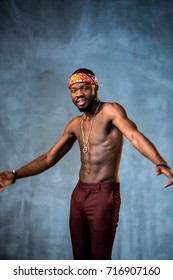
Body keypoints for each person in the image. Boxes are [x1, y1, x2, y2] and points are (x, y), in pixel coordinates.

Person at [0, 68, 173, 260]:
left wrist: (160, 162)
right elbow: (49, 158)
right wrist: (16, 174)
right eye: (74, 91)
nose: (79, 94)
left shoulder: (111, 111)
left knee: (99, 260)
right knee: (80, 260)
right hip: (79, 194)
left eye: (84, 88)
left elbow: (134, 136)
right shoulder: (75, 124)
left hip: (103, 194)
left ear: (95, 88)